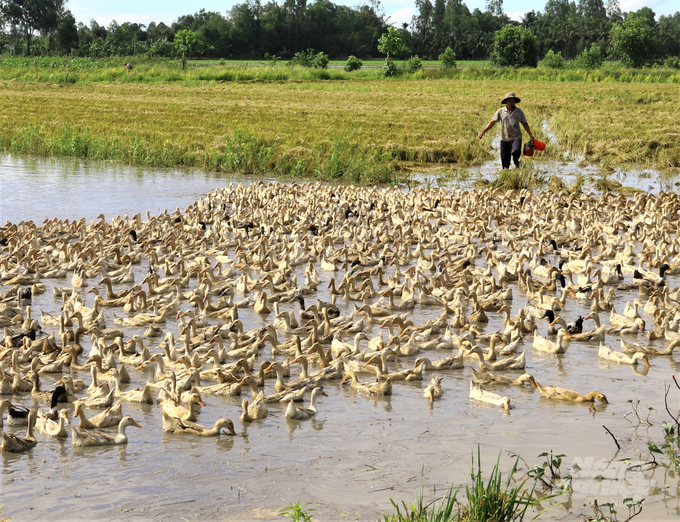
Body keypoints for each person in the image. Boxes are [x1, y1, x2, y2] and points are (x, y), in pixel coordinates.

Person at [478, 92, 534, 169]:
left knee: (516, 151)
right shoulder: (501, 111)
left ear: (515, 101)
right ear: (506, 101)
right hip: (504, 139)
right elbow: (492, 122)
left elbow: (525, 124)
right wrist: (483, 132)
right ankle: (506, 174)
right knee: (505, 161)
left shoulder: (519, 112)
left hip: (516, 137)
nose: (511, 101)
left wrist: (530, 135)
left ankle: (516, 162)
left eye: (513, 100)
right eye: (509, 100)